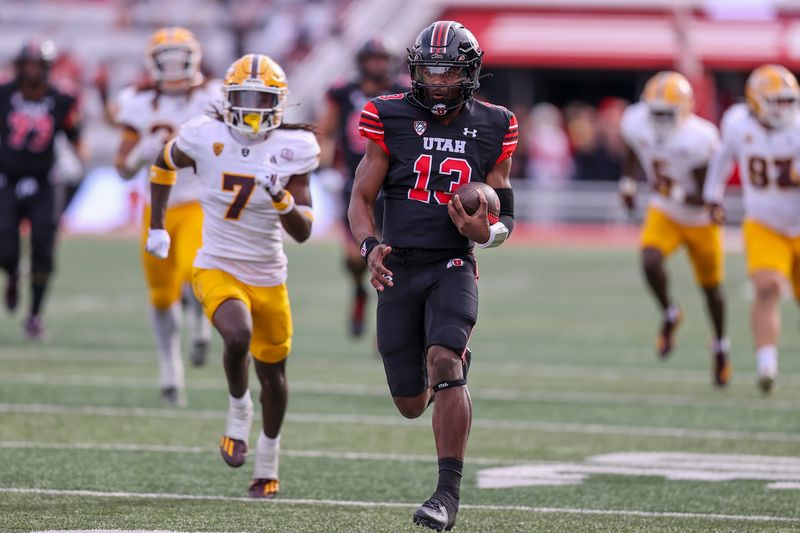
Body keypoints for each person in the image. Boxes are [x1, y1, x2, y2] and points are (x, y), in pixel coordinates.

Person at [348, 21, 517, 531]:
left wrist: (487, 234)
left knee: (445, 359)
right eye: (430, 70)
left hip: (452, 263)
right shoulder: (388, 113)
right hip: (398, 267)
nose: (439, 81)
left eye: (449, 71)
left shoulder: (495, 123)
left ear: (469, 72)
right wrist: (370, 245)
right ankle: (446, 368)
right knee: (408, 402)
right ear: (415, 69)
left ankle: (446, 494)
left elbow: (505, 206)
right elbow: (360, 197)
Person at [146, 53, 319, 497]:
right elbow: (163, 163)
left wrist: (281, 198)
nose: (253, 108)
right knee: (236, 334)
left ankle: (268, 458)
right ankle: (238, 409)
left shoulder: (294, 148)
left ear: (278, 103)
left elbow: (303, 231)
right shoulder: (205, 135)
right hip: (217, 263)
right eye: (244, 97)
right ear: (226, 99)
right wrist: (158, 225)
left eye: (262, 99)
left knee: (274, 377)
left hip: (268, 274)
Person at [114, 27, 218, 405]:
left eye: (180, 58)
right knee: (161, 295)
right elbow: (122, 168)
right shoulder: (137, 102)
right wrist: (144, 150)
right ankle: (170, 367)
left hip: (198, 202)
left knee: (195, 272)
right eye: (166, 60)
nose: (174, 67)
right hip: (156, 207)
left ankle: (201, 328)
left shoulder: (213, 95)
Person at [619, 71, 729, 386]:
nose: (659, 119)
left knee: (712, 291)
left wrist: (670, 190)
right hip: (665, 212)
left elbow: (704, 194)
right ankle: (670, 312)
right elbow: (631, 146)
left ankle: (721, 345)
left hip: (699, 220)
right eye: (655, 112)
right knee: (649, 260)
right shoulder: (636, 120)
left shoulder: (700, 138)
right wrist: (628, 183)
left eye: (667, 113)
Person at [704, 64, 800, 393]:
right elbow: (722, 159)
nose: (783, 109)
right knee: (768, 286)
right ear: (756, 101)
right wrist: (712, 196)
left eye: (788, 101)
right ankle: (766, 363)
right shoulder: (736, 123)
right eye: (776, 101)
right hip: (765, 222)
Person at [317, 38, 407, 337]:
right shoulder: (343, 93)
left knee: (393, 256)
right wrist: (326, 168)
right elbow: (326, 132)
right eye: (373, 58)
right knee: (354, 257)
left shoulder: (403, 92)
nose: (378, 65)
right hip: (356, 181)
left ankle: (388, 320)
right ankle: (359, 291)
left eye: (382, 58)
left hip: (394, 181)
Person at [0, 39, 84, 339]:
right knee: (5, 247)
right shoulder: (4, 95)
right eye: (28, 65)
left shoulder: (60, 100)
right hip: (6, 180)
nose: (32, 72)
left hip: (45, 182)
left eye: (38, 66)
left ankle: (35, 313)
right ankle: (12, 274)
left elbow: (77, 143)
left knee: (44, 249)